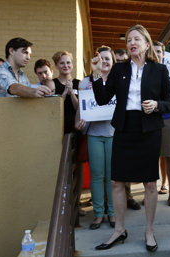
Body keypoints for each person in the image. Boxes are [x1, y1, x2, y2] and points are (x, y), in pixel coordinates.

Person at [92, 24, 170, 252]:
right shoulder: (119, 70)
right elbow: (101, 99)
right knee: (117, 181)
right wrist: (97, 72)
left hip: (149, 130)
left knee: (149, 182)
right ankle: (119, 230)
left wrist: (157, 104)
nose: (131, 43)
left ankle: (149, 230)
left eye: (136, 39)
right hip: (124, 128)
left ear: (147, 44)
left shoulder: (159, 70)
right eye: (129, 40)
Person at [75, 46, 117, 230]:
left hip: (114, 134)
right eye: (101, 59)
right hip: (94, 134)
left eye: (108, 59)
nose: (105, 62)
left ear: (113, 62)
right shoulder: (85, 83)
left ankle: (112, 212)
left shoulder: (118, 82)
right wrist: (78, 122)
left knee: (112, 176)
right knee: (97, 176)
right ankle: (99, 214)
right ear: (95, 61)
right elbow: (81, 108)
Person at [108, 49, 141, 210]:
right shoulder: (95, 79)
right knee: (105, 172)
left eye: (123, 61)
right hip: (100, 130)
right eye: (117, 61)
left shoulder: (130, 77)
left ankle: (128, 196)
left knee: (128, 167)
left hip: (123, 128)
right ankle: (106, 203)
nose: (120, 63)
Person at [153, 41, 170, 206]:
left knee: (169, 155)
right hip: (149, 118)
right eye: (153, 51)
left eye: (159, 51)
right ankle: (151, 191)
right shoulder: (143, 71)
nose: (156, 54)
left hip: (167, 117)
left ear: (164, 54)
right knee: (150, 157)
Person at [52, 50, 79, 134]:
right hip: (57, 127)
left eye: (68, 62)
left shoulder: (80, 83)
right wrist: (64, 94)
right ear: (56, 66)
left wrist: (71, 92)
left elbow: (79, 108)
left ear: (72, 65)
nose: (65, 65)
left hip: (75, 126)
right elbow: (53, 108)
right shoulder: (51, 83)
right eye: (62, 63)